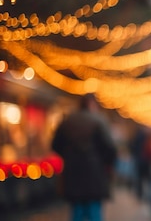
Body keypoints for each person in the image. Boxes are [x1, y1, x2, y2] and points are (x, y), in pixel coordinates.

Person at [52, 93, 117, 221]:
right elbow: (110, 148)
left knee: (77, 211)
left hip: (73, 173)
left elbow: (55, 145)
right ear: (92, 104)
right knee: (94, 212)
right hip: (95, 174)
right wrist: (105, 164)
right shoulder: (98, 121)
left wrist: (69, 157)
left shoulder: (67, 121)